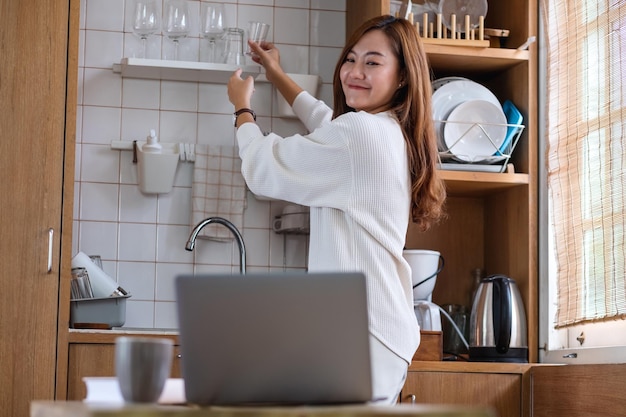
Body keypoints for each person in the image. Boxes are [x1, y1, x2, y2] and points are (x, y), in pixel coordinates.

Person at [227, 15, 446, 404]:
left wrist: (242, 110)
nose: (354, 72)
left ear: (401, 77)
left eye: (372, 63)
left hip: (363, 334)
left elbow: (263, 167)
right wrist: (276, 73)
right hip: (377, 331)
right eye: (351, 59)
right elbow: (326, 120)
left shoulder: (360, 135)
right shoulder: (388, 130)